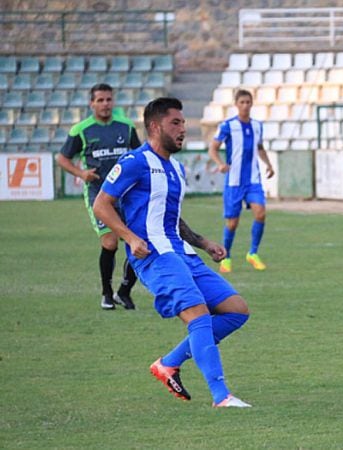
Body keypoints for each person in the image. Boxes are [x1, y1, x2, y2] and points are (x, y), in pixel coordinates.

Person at [93, 97, 251, 408]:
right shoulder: (134, 162)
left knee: (236, 310)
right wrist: (129, 237)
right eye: (175, 123)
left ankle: (168, 364)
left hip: (183, 253)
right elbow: (101, 204)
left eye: (183, 123)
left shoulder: (175, 168)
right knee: (199, 316)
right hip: (154, 256)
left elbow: (171, 217)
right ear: (154, 127)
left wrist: (204, 243)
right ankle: (222, 397)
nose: (182, 129)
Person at [56, 83, 141, 310]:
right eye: (100, 100)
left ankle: (124, 291)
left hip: (127, 195)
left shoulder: (126, 127)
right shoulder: (81, 130)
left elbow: (140, 156)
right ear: (91, 103)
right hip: (99, 194)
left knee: (139, 241)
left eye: (108, 100)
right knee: (110, 242)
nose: (105, 104)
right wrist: (81, 173)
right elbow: (62, 158)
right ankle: (106, 293)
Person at [208, 89, 274, 273]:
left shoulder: (257, 126)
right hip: (234, 182)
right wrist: (220, 164)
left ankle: (252, 253)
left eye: (248, 102)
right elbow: (213, 148)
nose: (245, 105)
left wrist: (268, 164)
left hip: (253, 179)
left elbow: (259, 147)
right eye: (242, 102)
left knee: (260, 213)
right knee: (232, 223)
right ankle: (226, 257)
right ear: (236, 104)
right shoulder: (228, 125)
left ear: (252, 104)